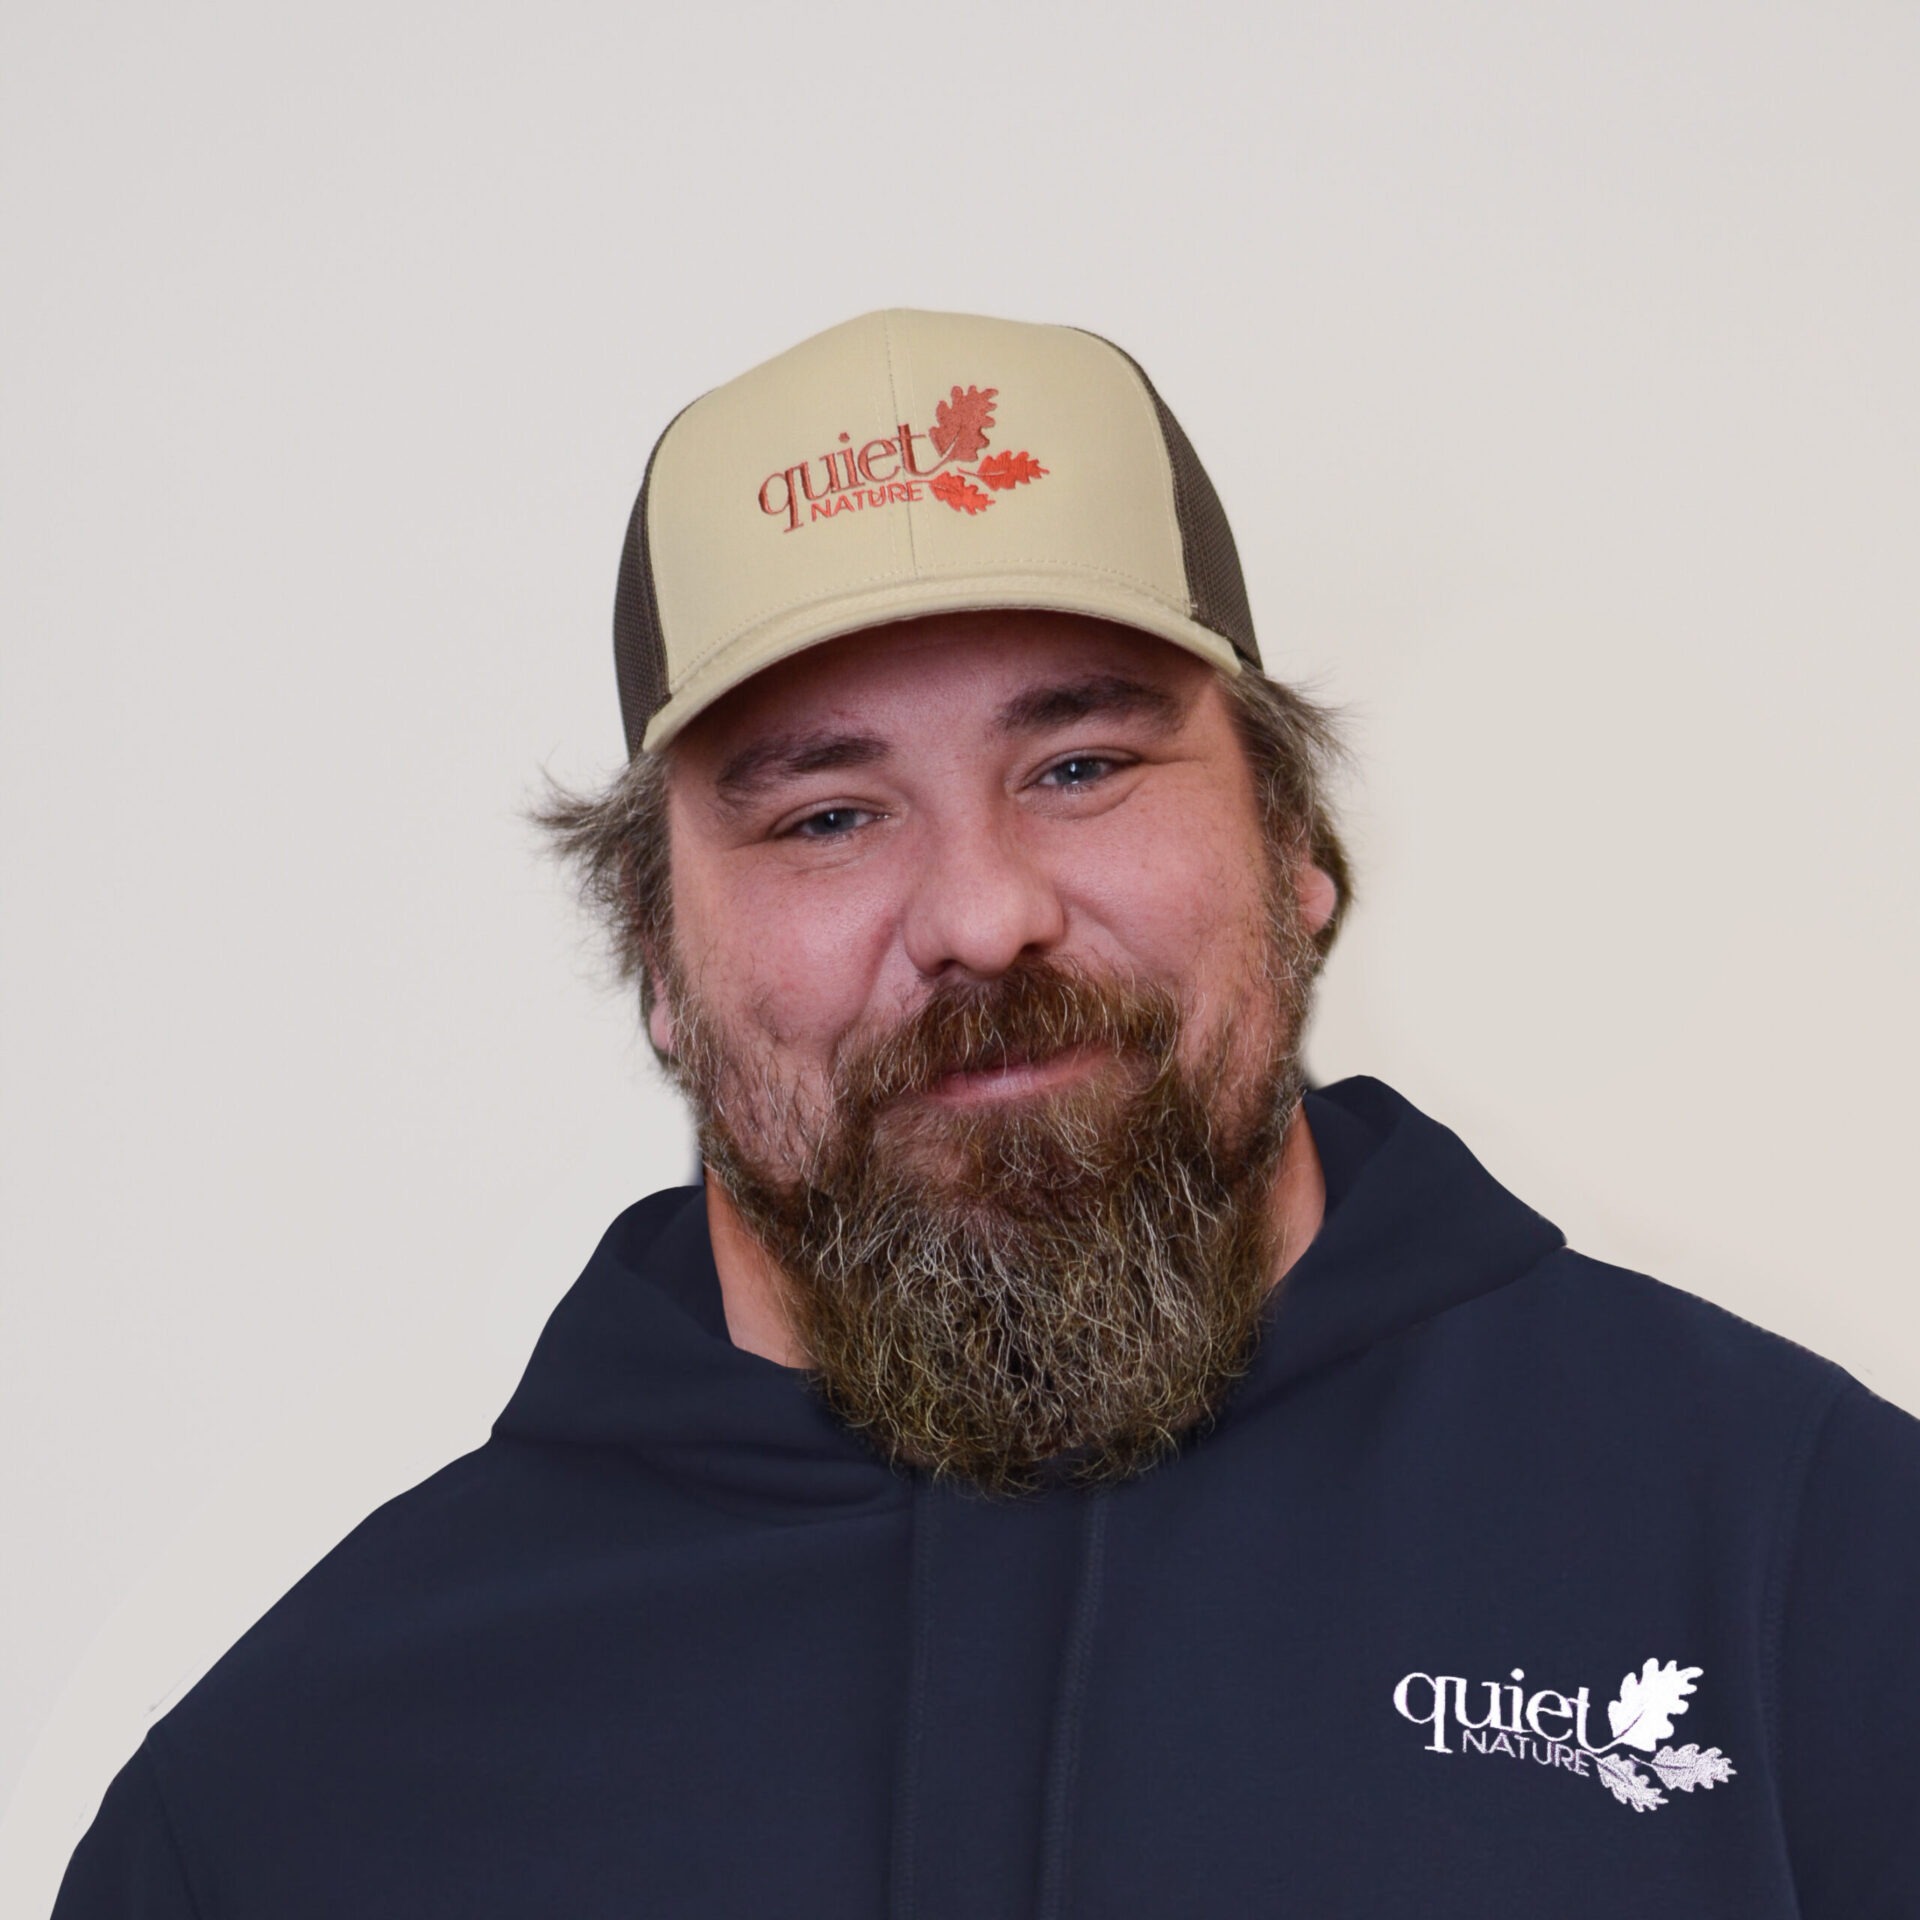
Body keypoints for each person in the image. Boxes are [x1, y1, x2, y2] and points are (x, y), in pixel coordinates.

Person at [53, 309, 1920, 1917]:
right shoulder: (291, 1808)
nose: (980, 912)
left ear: (1296, 848)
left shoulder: (1804, 1571)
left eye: (1084, 763)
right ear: (655, 962)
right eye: (826, 816)